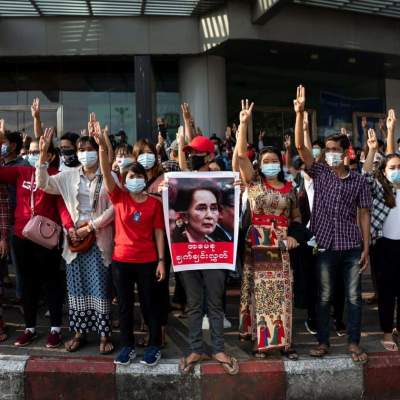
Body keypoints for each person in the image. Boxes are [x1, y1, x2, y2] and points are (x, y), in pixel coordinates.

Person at [294, 85, 372, 364]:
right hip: (325, 244)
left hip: (351, 245)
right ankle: (323, 342)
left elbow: (364, 214)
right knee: (324, 296)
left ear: (345, 152)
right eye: (326, 150)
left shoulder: (359, 180)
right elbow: (301, 148)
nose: (329, 154)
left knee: (353, 297)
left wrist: (365, 247)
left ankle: (353, 343)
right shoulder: (320, 173)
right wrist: (300, 114)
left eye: (334, 150)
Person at [36, 128, 115, 355]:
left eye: (90, 149)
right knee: (76, 289)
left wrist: (90, 227)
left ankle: (104, 334)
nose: (85, 154)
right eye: (81, 150)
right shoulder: (69, 175)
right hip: (74, 242)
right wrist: (42, 157)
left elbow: (114, 208)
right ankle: (79, 333)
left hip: (99, 240)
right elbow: (44, 184)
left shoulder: (107, 175)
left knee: (100, 289)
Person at [94, 125, 166, 366]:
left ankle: (154, 345)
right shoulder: (119, 196)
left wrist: (161, 261)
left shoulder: (154, 203)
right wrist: (103, 146)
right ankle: (127, 347)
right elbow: (105, 172)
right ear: (125, 179)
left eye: (139, 176)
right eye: (130, 176)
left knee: (149, 306)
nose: (135, 179)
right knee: (124, 307)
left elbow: (158, 233)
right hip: (121, 261)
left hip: (147, 261)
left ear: (146, 179)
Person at [236, 99, 300, 360]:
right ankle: (260, 343)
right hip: (258, 243)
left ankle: (285, 343)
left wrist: (295, 236)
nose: (270, 163)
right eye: (266, 160)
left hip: (282, 245)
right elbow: (240, 156)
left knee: (283, 293)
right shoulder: (252, 183)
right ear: (260, 164)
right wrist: (243, 125)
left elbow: (296, 216)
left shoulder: (289, 189)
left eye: (274, 160)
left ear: (280, 164)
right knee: (260, 293)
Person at [0, 132, 68, 348]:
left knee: (51, 283)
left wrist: (70, 228)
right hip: (21, 237)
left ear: (49, 155)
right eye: (29, 151)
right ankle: (29, 328)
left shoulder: (56, 175)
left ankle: (55, 329)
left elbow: (62, 207)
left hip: (46, 239)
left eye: (38, 151)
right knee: (27, 284)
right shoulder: (20, 171)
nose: (32, 155)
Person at [363, 111, 400, 352]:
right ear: (385, 171)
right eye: (393, 167)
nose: (397, 170)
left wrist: (391, 131)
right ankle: (387, 333)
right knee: (387, 292)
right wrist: (373, 150)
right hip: (384, 246)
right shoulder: (380, 188)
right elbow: (365, 175)